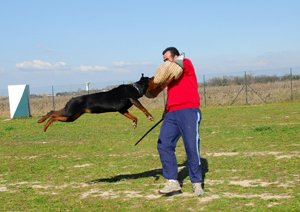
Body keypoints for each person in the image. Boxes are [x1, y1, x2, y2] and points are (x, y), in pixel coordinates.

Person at [148, 47, 204, 196]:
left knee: (191, 147)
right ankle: (172, 182)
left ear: (176, 56)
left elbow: (175, 66)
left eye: (167, 58)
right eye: (163, 60)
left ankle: (196, 183)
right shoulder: (169, 75)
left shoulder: (186, 63)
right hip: (171, 113)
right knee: (164, 144)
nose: (165, 62)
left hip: (189, 110)